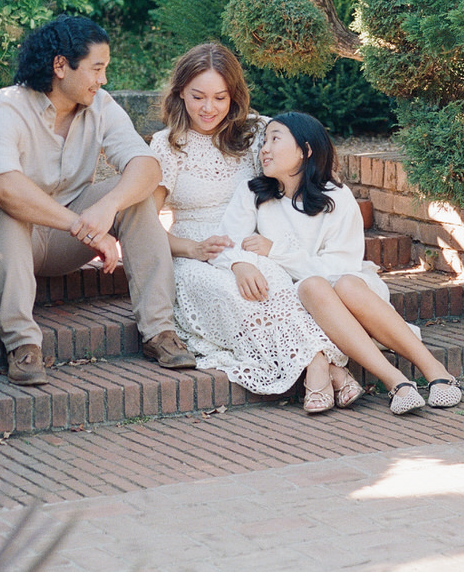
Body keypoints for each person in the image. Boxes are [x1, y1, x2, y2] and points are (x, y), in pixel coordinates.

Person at [0, 15, 195, 386]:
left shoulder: (101, 105)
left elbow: (147, 166)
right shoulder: (5, 108)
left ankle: (159, 332)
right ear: (61, 66)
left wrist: (108, 205)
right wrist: (83, 226)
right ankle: (22, 345)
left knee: (134, 195)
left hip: (63, 239)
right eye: (97, 69)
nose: (103, 80)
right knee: (7, 203)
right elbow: (3, 186)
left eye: (106, 69)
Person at [149, 44, 355, 411]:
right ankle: (320, 366)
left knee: (276, 288)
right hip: (195, 253)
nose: (208, 108)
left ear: (234, 96)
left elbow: (302, 159)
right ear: (180, 92)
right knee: (233, 295)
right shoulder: (168, 145)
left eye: (219, 97)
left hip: (250, 243)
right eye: (197, 96)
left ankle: (316, 365)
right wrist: (191, 249)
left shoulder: (256, 132)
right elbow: (145, 227)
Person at [215, 111, 464, 413]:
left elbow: (339, 268)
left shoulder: (336, 196)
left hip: (351, 293)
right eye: (263, 141)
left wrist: (275, 250)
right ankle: (396, 381)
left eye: (275, 139)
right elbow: (228, 243)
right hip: (294, 300)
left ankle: (434, 369)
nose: (264, 149)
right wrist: (242, 263)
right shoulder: (253, 193)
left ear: (305, 150)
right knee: (312, 286)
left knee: (342, 283)